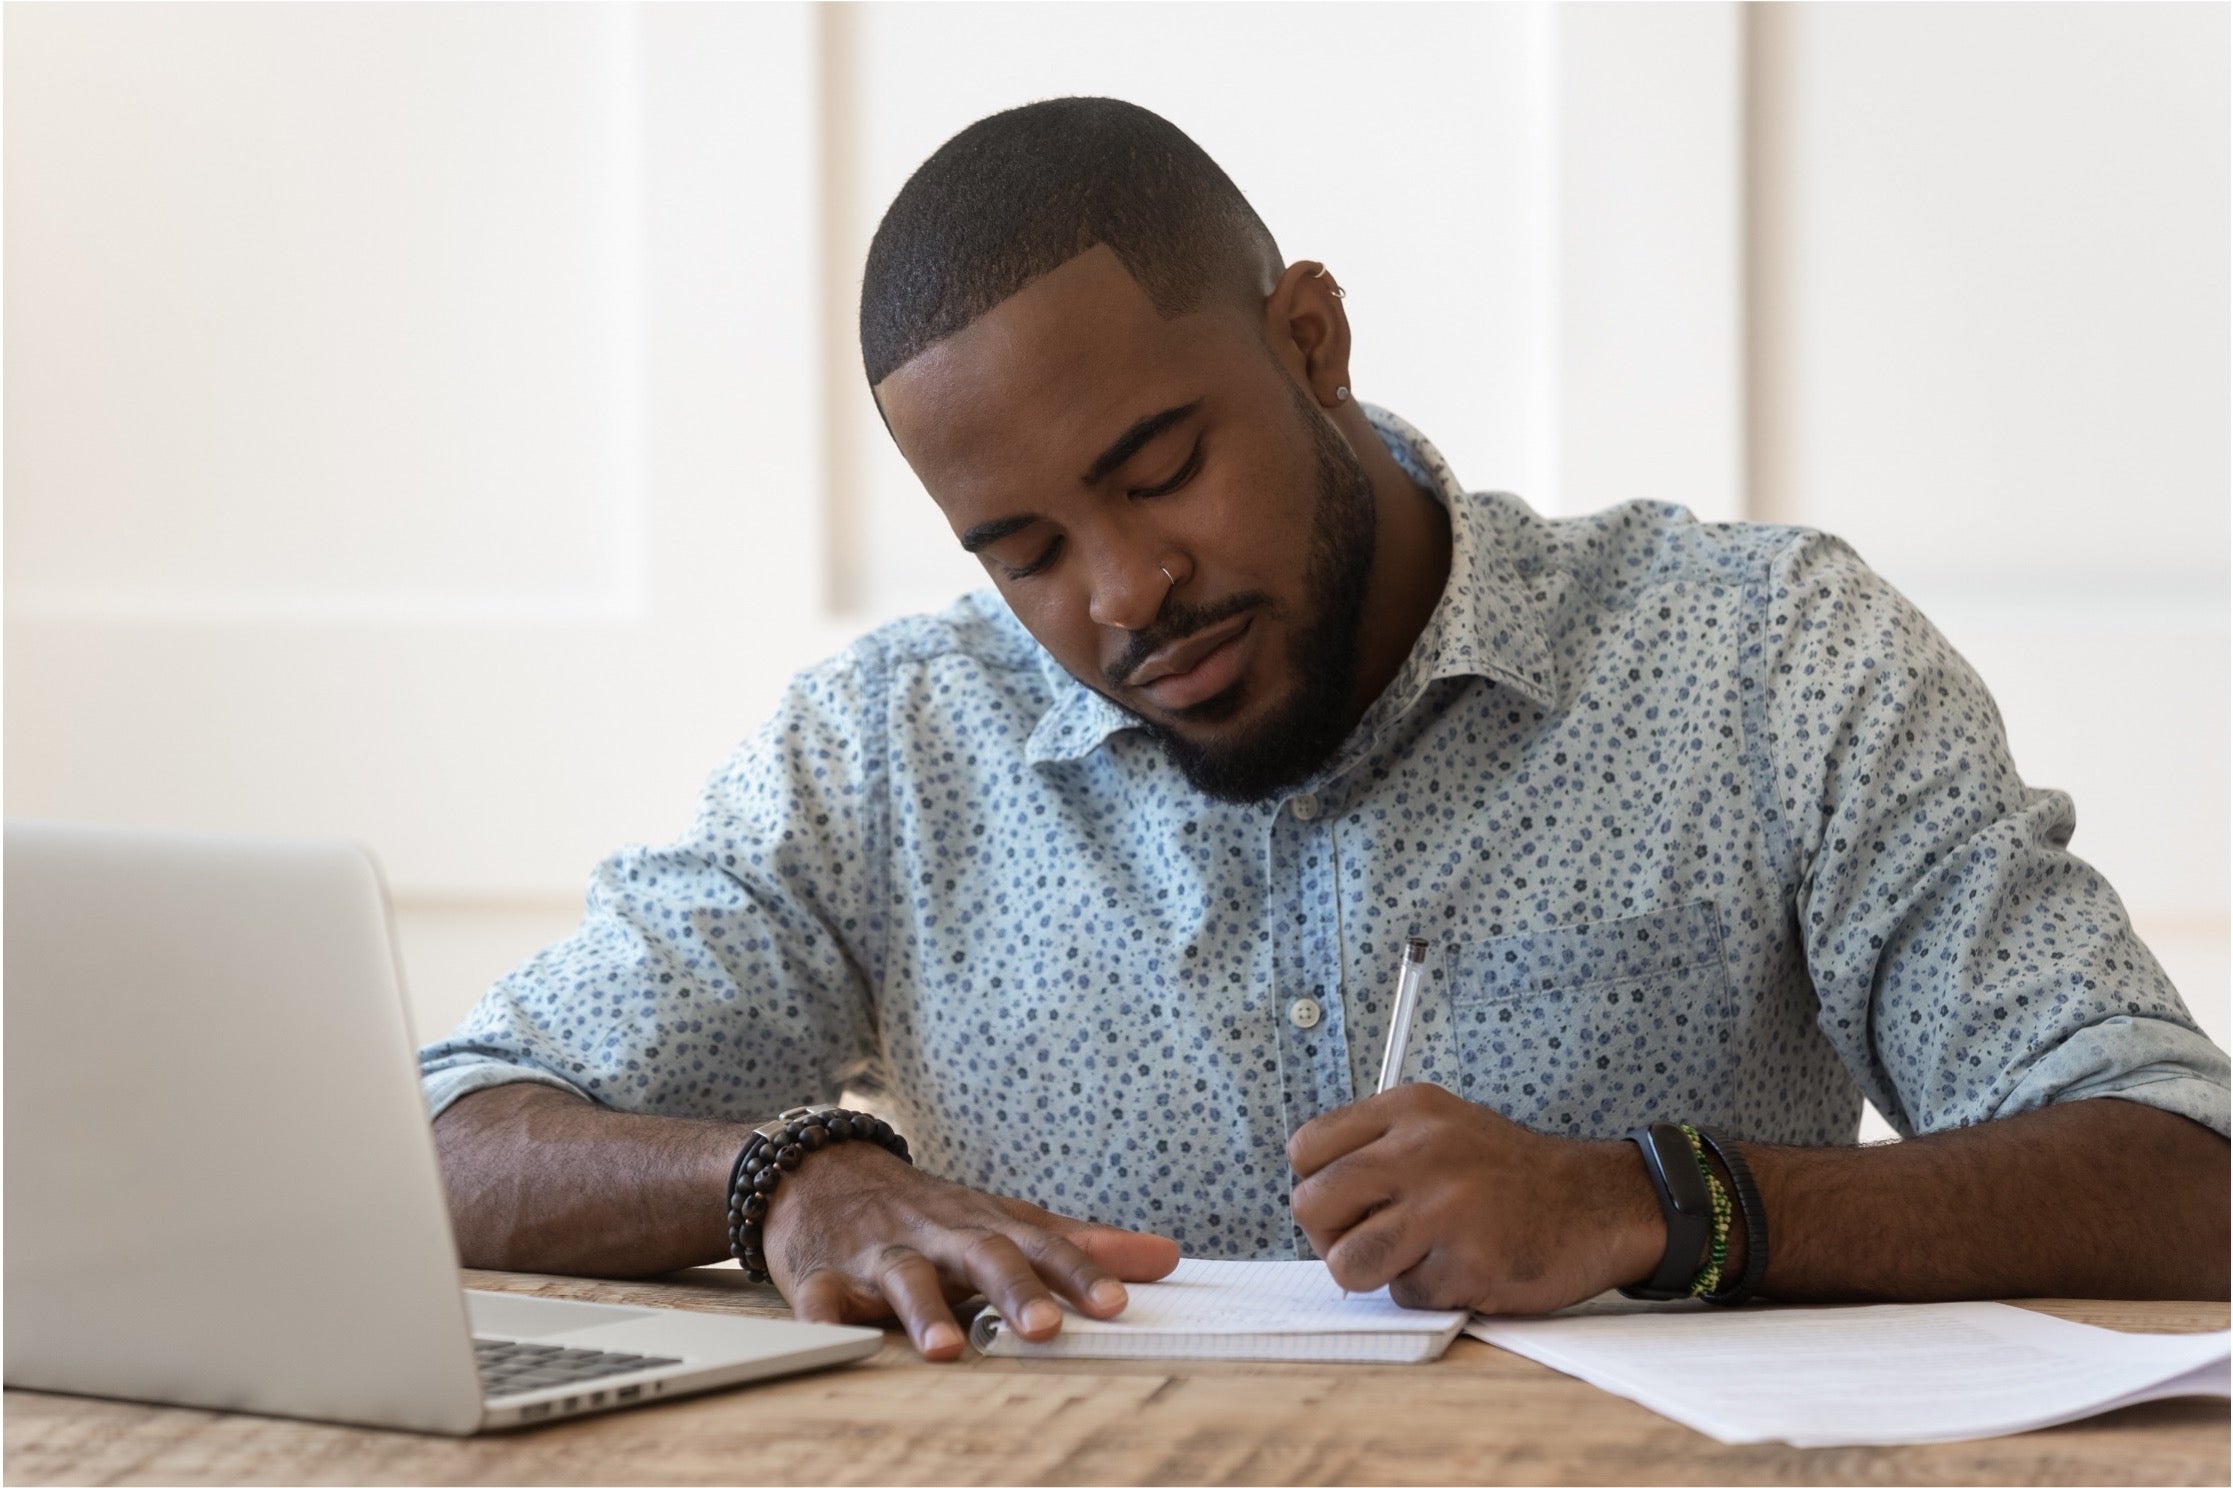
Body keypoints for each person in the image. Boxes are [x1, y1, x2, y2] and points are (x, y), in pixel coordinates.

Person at [423, 98, 2229, 1360]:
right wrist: (784, 1182)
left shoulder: (1760, 659)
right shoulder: (890, 754)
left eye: (1158, 471)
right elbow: (439, 1143)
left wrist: (1647, 1205)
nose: (1121, 592)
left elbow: (2177, 1176)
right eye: (1024, 550)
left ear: (1311, 339)